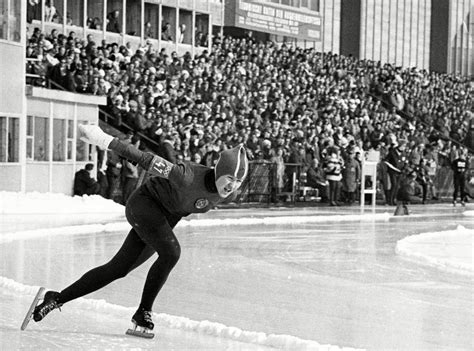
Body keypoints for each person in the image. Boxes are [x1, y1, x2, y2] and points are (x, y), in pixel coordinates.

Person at [32, 124, 249, 335]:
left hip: (162, 219)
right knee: (171, 253)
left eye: (238, 181)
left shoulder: (230, 194)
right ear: (219, 171)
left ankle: (56, 298)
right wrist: (104, 139)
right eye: (230, 178)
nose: (232, 185)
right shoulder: (185, 175)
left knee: (118, 269)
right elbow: (143, 158)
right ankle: (144, 311)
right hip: (144, 205)